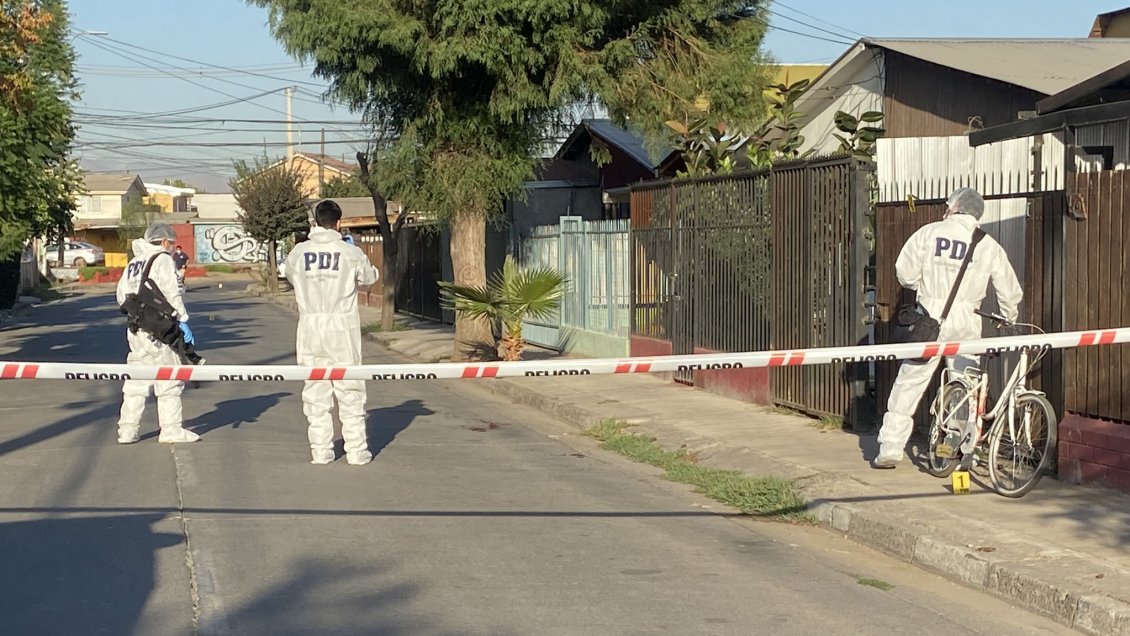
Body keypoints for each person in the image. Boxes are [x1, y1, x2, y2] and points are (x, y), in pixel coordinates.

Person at [873, 187, 1023, 469]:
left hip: (930, 317)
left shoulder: (929, 233)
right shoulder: (988, 245)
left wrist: (923, 288)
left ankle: (890, 450)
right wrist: (1008, 316)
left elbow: (904, 272)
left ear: (954, 208)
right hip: (968, 320)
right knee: (964, 386)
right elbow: (1008, 288)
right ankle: (956, 448)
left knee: (910, 383)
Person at [285, 200, 379, 465]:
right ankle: (357, 451)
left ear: (315, 221)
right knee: (349, 387)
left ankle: (321, 450)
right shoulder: (350, 252)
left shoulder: (298, 252)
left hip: (310, 326)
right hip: (341, 326)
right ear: (338, 223)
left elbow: (289, 275)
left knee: (315, 388)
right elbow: (370, 277)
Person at [115, 223, 201, 445]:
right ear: (164, 242)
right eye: (171, 244)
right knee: (169, 377)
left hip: (136, 328)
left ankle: (127, 430)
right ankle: (171, 429)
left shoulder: (134, 262)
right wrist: (182, 321)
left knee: (136, 379)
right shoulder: (161, 259)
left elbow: (121, 296)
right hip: (160, 330)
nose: (172, 249)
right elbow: (172, 293)